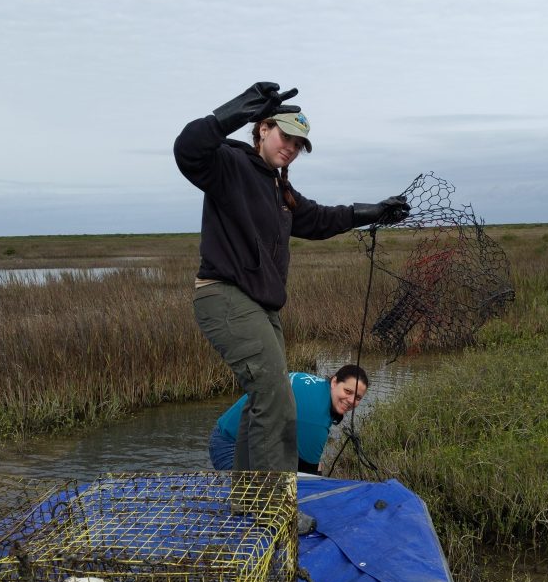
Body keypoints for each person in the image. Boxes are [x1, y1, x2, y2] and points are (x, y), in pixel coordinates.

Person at [173, 81, 408, 474]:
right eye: (286, 136)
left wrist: (373, 212)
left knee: (261, 399)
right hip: (226, 296)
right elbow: (188, 149)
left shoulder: (279, 188)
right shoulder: (227, 164)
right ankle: (273, 504)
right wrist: (237, 110)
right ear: (263, 129)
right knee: (277, 397)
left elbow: (319, 219)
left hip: (262, 307)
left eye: (299, 145)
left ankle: (250, 499)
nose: (291, 148)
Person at [209, 364, 370, 474]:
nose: (351, 401)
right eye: (348, 391)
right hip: (232, 444)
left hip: (258, 440)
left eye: (358, 397)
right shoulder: (316, 419)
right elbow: (308, 477)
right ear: (335, 381)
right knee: (254, 503)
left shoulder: (320, 386)